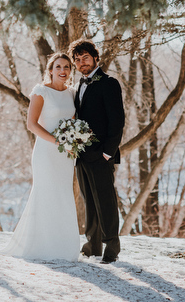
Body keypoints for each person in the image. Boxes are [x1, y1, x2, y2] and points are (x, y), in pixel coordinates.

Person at [1, 52, 80, 261]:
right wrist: (57, 141)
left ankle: (64, 247)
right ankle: (40, 246)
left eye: (66, 67)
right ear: (51, 70)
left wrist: (73, 142)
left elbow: (72, 121)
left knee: (63, 195)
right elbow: (32, 124)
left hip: (66, 155)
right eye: (58, 67)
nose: (62, 71)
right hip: (46, 152)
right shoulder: (41, 91)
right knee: (45, 194)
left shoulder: (73, 93)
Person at [68, 39, 125, 264]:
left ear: (95, 58)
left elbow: (117, 121)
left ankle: (112, 246)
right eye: (78, 59)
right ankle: (92, 245)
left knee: (105, 201)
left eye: (86, 58)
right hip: (81, 154)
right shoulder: (79, 85)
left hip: (101, 154)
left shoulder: (109, 83)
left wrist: (107, 153)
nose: (82, 63)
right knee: (88, 200)